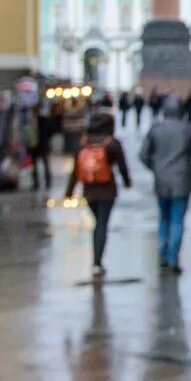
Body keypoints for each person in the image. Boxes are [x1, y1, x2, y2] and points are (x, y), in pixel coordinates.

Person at [139, 96, 191, 274]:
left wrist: (155, 169)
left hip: (161, 181)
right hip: (182, 179)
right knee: (177, 220)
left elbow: (143, 155)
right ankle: (173, 258)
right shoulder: (188, 129)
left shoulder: (156, 129)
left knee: (163, 218)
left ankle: (162, 255)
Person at [64, 110, 131, 278]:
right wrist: (127, 182)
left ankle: (96, 260)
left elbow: (75, 170)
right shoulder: (112, 143)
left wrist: (69, 191)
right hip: (107, 190)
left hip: (89, 190)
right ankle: (97, 261)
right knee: (102, 224)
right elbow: (122, 166)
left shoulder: (83, 143)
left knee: (97, 223)